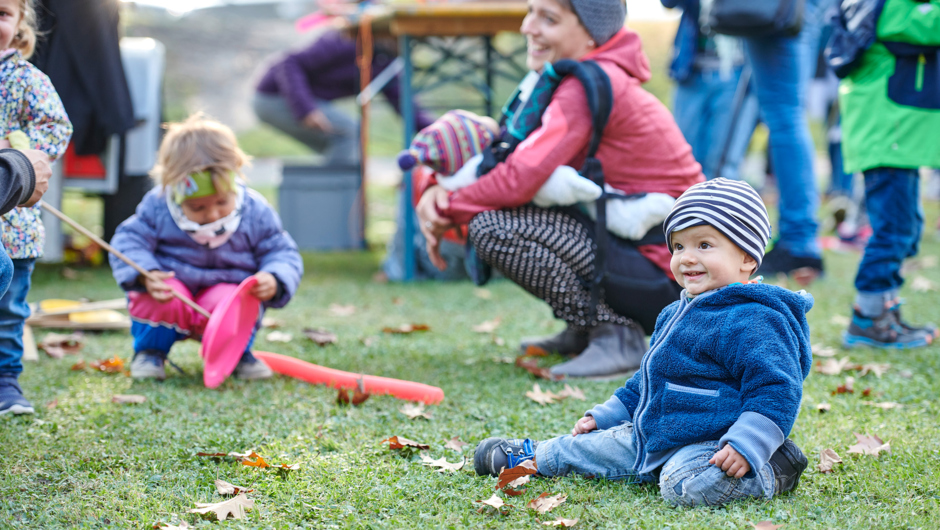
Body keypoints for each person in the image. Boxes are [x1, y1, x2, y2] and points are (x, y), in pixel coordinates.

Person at [474, 178, 813, 507]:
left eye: (704, 245)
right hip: (654, 432)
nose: (687, 257)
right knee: (586, 445)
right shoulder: (674, 312)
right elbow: (648, 379)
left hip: (713, 444)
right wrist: (607, 415)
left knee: (685, 486)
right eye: (679, 246)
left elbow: (776, 389)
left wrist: (747, 443)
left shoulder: (755, 318)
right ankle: (526, 457)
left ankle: (774, 468)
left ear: (747, 258)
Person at [416, 0, 704, 377]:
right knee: (507, 215)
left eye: (547, 18)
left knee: (494, 228)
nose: (527, 27)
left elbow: (521, 175)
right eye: (531, 10)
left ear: (589, 33)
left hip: (672, 276)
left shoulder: (586, 85)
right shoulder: (568, 77)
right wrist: (435, 186)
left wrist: (448, 208)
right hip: (645, 262)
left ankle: (614, 333)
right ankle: (586, 328)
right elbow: (497, 153)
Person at [109, 115, 303, 380]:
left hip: (225, 296)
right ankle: (150, 352)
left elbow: (281, 251)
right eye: (198, 208)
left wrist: (275, 277)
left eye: (221, 202)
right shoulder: (157, 206)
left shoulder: (255, 211)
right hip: (172, 291)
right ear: (175, 190)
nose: (212, 214)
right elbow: (129, 241)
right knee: (158, 295)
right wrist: (145, 273)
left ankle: (235, 354)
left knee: (234, 302)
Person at [836, 0, 940, 348]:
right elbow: (931, 25)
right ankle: (867, 319)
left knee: (905, 228)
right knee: (893, 230)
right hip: (888, 137)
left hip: (897, 139)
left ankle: (886, 312)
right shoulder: (891, 6)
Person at [0, 0, 72, 416]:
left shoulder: (26, 79)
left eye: (3, 13)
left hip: (14, 222)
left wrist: (20, 151)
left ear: (21, 24)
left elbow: (56, 126)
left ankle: (5, 381)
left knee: (8, 311)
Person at [254, 29, 433, 166]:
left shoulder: (385, 63)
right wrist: (306, 109)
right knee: (349, 135)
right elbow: (289, 62)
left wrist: (440, 132)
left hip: (303, 99)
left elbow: (407, 108)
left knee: (343, 146)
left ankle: (334, 202)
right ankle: (330, 202)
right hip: (274, 96)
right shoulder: (347, 39)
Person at [662, 0, 759, 181]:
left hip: (735, 71)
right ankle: (688, 206)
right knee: (684, 153)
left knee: (723, 158)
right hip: (691, 69)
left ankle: (719, 206)